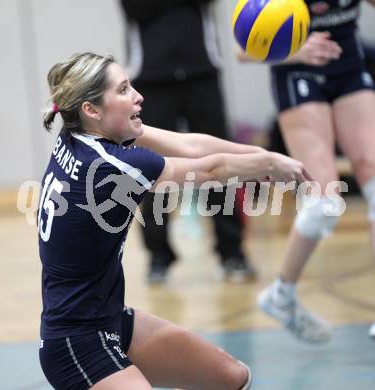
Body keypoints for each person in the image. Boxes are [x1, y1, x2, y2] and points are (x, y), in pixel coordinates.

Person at [38, 52, 310, 389]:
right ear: (91, 109)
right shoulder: (112, 164)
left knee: (231, 376)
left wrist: (267, 156)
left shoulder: (80, 134)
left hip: (111, 321)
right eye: (123, 90)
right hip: (76, 344)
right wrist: (269, 166)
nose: (138, 95)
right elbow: (211, 169)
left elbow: (190, 144)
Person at [238, 0, 375, 342]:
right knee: (324, 203)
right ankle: (281, 295)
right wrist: (296, 53)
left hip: (349, 68)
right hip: (296, 71)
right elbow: (243, 52)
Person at [120, 0, 256, 284]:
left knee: (222, 167)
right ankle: (158, 255)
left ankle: (232, 251)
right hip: (152, 76)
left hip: (201, 71)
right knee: (151, 170)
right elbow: (136, 8)